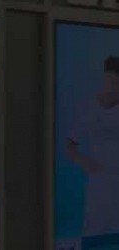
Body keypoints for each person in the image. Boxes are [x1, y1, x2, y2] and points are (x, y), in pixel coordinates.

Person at [66, 56, 119, 241]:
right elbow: (70, 146)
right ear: (105, 78)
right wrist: (86, 163)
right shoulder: (88, 108)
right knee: (95, 235)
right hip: (98, 187)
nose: (116, 87)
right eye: (113, 81)